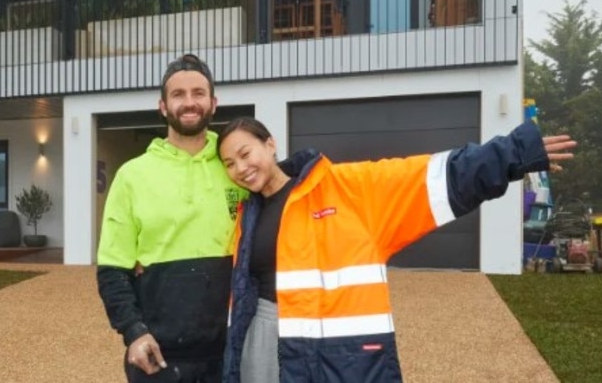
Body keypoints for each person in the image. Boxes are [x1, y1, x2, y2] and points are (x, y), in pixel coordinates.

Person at [216, 116, 576, 383]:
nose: (241, 168)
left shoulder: (346, 190)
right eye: (229, 164)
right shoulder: (247, 215)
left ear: (270, 144)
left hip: (335, 353)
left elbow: (432, 177)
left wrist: (515, 152)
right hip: (261, 343)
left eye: (245, 153)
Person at [96, 53, 247, 382]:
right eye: (178, 94)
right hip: (158, 356)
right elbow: (112, 270)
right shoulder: (132, 176)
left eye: (198, 93)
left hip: (230, 352)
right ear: (163, 106)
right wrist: (134, 333)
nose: (189, 102)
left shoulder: (236, 168)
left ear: (213, 103)